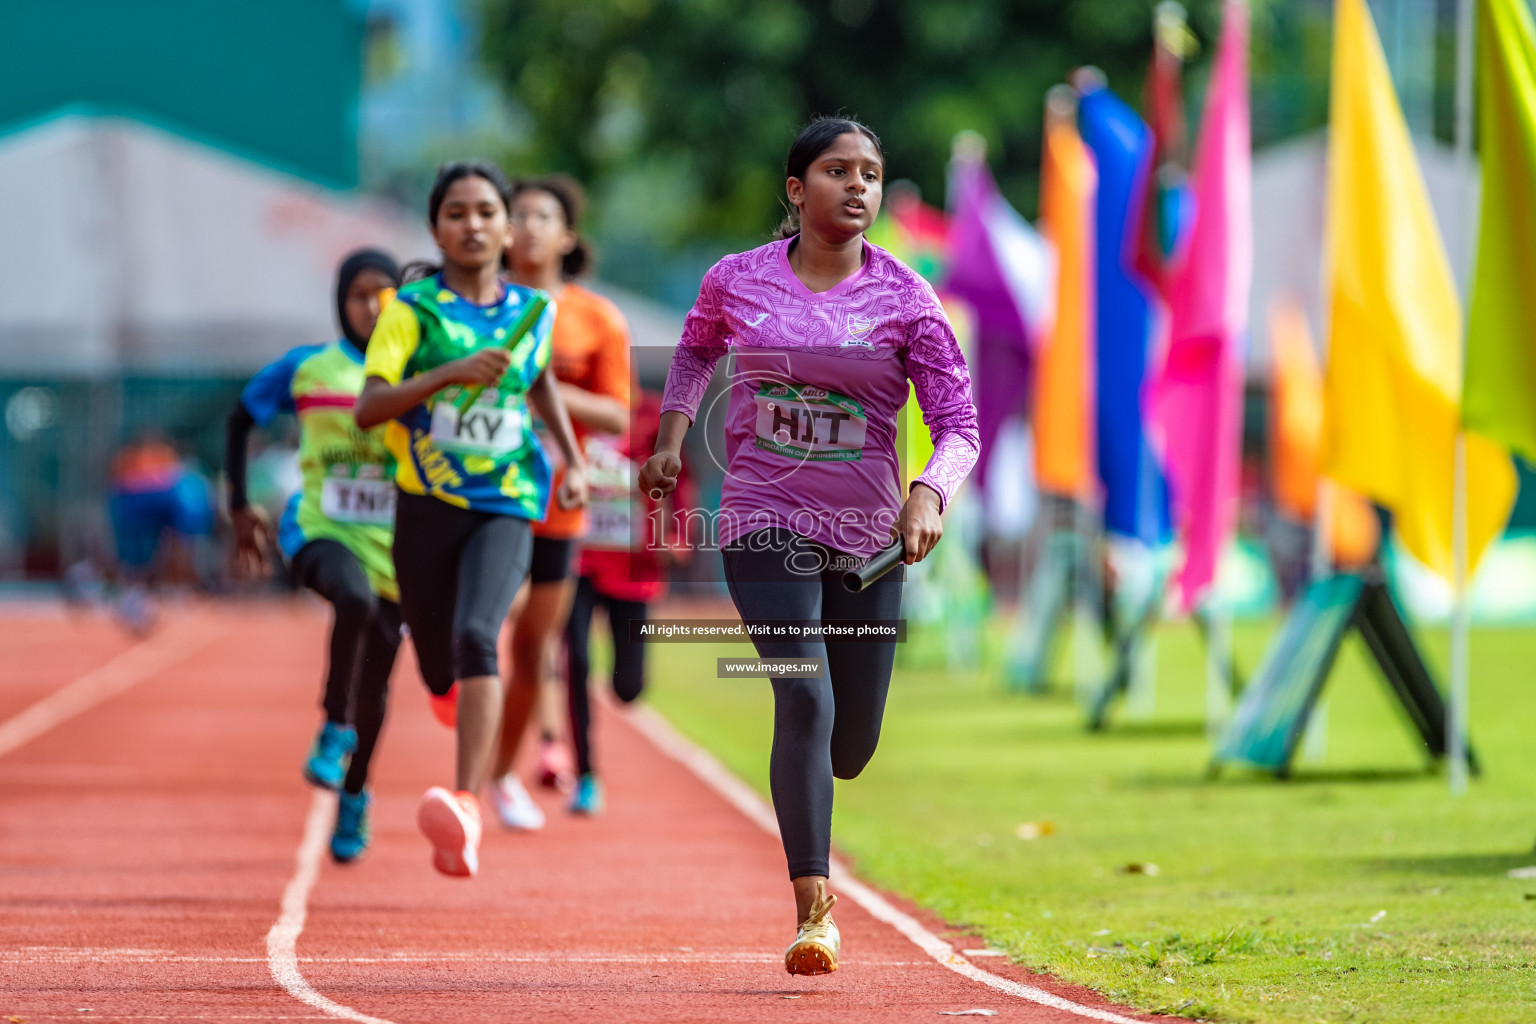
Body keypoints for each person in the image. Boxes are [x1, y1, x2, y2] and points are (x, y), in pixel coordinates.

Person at [639, 117, 979, 976]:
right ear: (797, 190)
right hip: (762, 518)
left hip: (868, 540)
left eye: (869, 171)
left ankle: (817, 789)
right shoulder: (736, 280)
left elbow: (960, 427)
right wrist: (673, 436)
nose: (858, 185)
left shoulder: (910, 299)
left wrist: (929, 493)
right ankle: (814, 914)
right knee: (805, 697)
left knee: (851, 742)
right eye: (837, 170)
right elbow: (692, 350)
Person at [354, 161, 587, 880]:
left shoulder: (535, 311)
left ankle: (465, 804)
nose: (473, 224)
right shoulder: (411, 312)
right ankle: (453, 696)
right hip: (425, 501)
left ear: (507, 228)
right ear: (435, 228)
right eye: (456, 212)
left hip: (508, 499)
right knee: (435, 660)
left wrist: (573, 461)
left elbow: (540, 381)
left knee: (479, 634)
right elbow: (369, 408)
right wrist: (447, 375)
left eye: (487, 211)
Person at [226, 248, 403, 863]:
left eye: (385, 292)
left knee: (379, 685)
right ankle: (333, 726)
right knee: (350, 597)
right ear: (340, 301)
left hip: (395, 546)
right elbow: (240, 416)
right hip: (318, 525)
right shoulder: (309, 368)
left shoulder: (417, 371)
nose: (372, 305)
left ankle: (355, 792)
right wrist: (239, 503)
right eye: (360, 294)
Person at [486, 177, 632, 827]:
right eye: (516, 215)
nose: (528, 227)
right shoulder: (471, 308)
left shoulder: (597, 320)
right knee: (488, 624)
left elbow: (616, 414)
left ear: (567, 236)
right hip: (479, 490)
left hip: (560, 497)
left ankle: (505, 772)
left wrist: (539, 388)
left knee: (537, 643)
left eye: (543, 217)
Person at [563, 388, 692, 815]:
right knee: (576, 662)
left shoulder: (655, 416)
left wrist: (678, 535)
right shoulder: (574, 406)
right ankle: (585, 774)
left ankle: (616, 691)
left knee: (628, 688)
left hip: (635, 566)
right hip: (579, 557)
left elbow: (683, 476)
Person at [107, 434, 215, 633]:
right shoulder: (139, 472)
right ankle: (133, 596)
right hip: (144, 513)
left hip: (165, 513)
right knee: (136, 554)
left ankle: (153, 594)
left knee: (171, 549)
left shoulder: (174, 476)